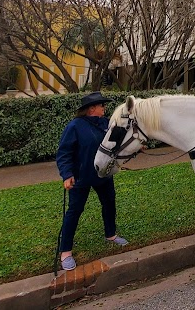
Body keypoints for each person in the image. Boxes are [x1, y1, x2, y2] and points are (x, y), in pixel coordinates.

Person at [56, 92, 128, 271]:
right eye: (101, 105)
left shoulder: (106, 124)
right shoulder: (75, 126)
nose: (104, 108)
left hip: (103, 174)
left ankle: (110, 235)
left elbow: (118, 142)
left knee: (109, 203)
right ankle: (65, 252)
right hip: (81, 177)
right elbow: (64, 153)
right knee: (74, 211)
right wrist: (67, 175)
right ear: (91, 109)